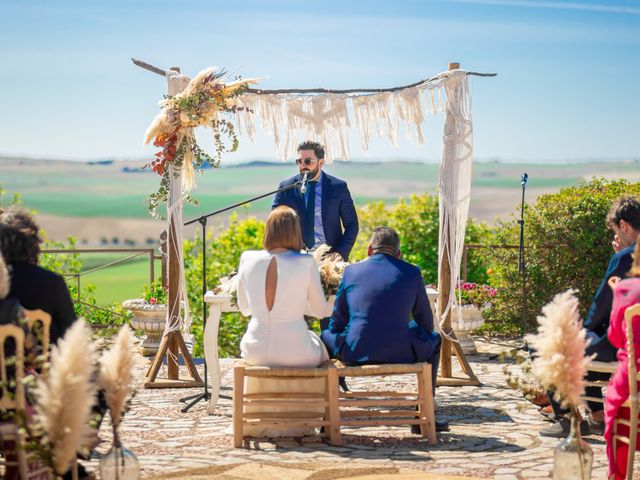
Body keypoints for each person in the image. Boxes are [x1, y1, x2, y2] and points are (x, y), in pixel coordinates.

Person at [321, 226, 448, 432]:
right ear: (398, 254)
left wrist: (340, 340)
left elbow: (338, 319)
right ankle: (423, 414)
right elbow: (425, 321)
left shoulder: (352, 272)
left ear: (370, 250)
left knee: (325, 333)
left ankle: (327, 415)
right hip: (401, 352)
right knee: (435, 339)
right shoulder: (412, 272)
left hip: (355, 351)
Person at [540, 195, 640, 437]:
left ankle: (567, 419)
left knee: (551, 345)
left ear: (623, 225)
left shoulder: (625, 257)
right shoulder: (626, 255)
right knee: (590, 340)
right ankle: (597, 417)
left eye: (617, 229)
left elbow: (601, 305)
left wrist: (582, 330)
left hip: (623, 344)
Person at [237, 206, 331, 367]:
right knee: (317, 341)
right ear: (295, 231)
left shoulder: (247, 258)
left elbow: (244, 308)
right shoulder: (306, 261)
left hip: (254, 351)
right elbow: (320, 311)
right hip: (295, 352)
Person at [272, 140, 359, 262]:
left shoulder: (338, 187)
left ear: (321, 162)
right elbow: (275, 224)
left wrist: (340, 253)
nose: (303, 165)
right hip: (295, 258)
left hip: (330, 259)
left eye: (308, 161)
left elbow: (352, 225)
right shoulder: (287, 187)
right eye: (299, 161)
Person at [0, 207, 76, 345]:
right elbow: (72, 332)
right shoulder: (52, 283)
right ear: (33, 242)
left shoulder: (3, 283)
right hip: (44, 364)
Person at [604, 241, 640, 480]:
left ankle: (619, 474)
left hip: (633, 383)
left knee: (618, 406)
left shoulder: (627, 289)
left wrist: (619, 290)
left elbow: (616, 338)